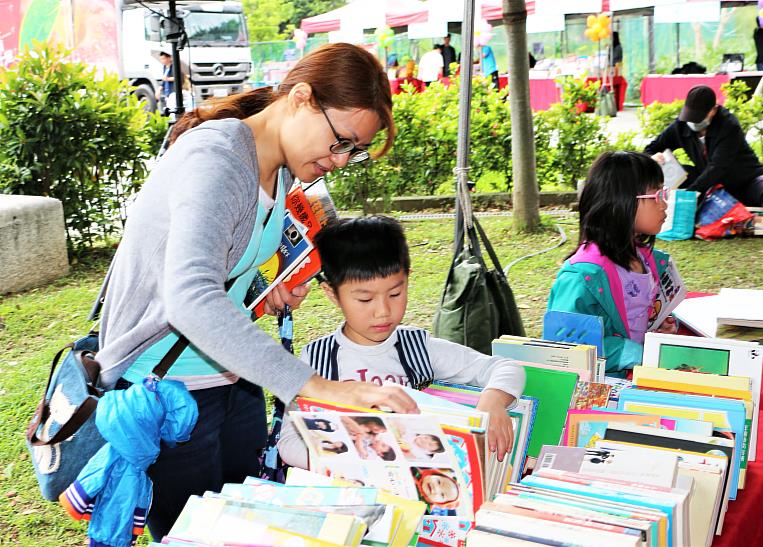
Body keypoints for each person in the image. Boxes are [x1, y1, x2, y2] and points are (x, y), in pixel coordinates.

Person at [93, 43, 419, 541]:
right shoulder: (218, 159)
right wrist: (315, 385)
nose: (340, 160)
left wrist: (261, 291)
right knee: (197, 534)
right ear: (302, 98)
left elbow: (221, 269)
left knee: (246, 528)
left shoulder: (281, 168)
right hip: (169, 394)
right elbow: (188, 295)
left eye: (353, 152)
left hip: (231, 380)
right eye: (341, 141)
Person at [278, 216, 524, 468]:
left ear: (407, 278)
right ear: (332, 293)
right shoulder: (316, 361)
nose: (383, 311)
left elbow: (505, 368)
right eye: (365, 300)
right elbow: (287, 440)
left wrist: (492, 404)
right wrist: (345, 463)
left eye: (395, 293)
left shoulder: (417, 348)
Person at [547, 151, 680, 377]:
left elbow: (637, 310)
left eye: (664, 193)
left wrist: (658, 321)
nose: (664, 204)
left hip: (636, 376)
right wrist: (634, 354)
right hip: (601, 387)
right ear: (622, 202)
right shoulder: (582, 277)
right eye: (657, 196)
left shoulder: (645, 260)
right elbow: (565, 347)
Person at [644, 85, 763, 232]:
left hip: (745, 183)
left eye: (698, 116)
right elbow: (651, 148)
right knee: (671, 171)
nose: (693, 121)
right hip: (709, 186)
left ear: (713, 110)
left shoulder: (728, 125)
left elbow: (718, 167)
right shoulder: (681, 125)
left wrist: (689, 195)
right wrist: (653, 157)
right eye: (690, 116)